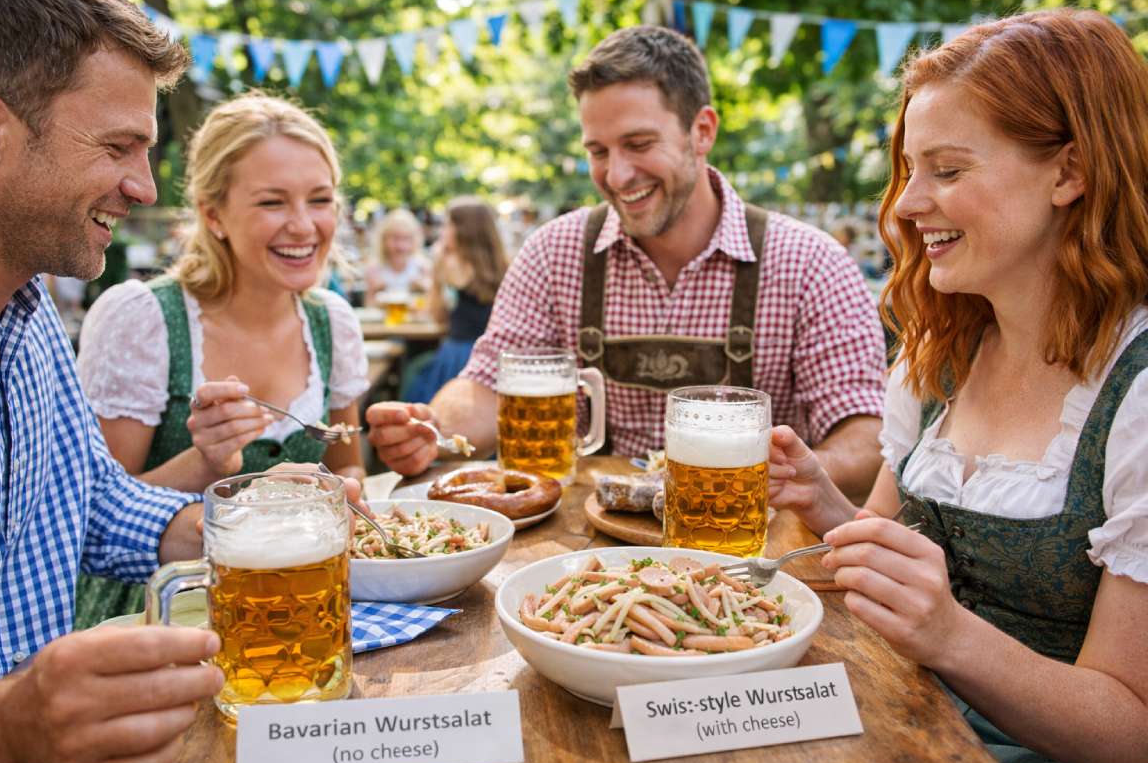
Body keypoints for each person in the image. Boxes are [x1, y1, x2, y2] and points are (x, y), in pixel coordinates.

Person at [0, 0, 362, 763]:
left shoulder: (26, 311)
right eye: (115, 147)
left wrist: (266, 527)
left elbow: (93, 501)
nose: (143, 186)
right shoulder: (133, 314)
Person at [768, 9, 1148, 763]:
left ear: (1069, 173)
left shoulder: (1136, 394)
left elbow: (1133, 734)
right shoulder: (943, 348)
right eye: (910, 172)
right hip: (900, 727)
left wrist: (949, 638)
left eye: (946, 171)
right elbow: (892, 562)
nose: (907, 204)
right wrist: (827, 508)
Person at [368, 26, 887, 505]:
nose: (617, 175)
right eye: (598, 151)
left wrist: (784, 476)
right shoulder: (555, 252)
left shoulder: (809, 262)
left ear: (702, 130)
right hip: (581, 549)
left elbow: (866, 438)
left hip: (744, 542)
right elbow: (485, 388)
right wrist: (430, 428)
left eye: (638, 144)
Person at [72, 92, 370, 628]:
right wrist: (206, 462)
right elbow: (93, 516)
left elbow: (347, 467)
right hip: (159, 615)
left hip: (302, 606)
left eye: (320, 200)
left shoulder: (333, 323)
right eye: (272, 202)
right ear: (214, 215)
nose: (304, 226)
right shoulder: (143, 319)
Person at [403, 196, 508, 404]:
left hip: (459, 355)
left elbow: (437, 314)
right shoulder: (504, 265)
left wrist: (435, 273)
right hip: (495, 357)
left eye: (446, 224)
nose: (442, 231)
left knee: (413, 373)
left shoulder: (449, 263)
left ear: (462, 229)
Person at [363, 207, 431, 306]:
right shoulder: (374, 269)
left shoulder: (422, 267)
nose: (401, 246)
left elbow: (431, 305)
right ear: (384, 239)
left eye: (406, 238)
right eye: (395, 238)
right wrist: (375, 290)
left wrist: (424, 288)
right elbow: (368, 306)